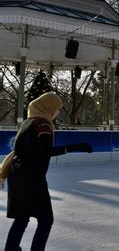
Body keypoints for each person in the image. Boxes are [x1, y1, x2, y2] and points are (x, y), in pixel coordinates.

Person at [5, 92, 93, 251]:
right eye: (57, 108)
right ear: (49, 107)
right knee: (45, 220)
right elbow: (44, 150)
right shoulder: (43, 124)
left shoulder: (27, 122)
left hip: (17, 174)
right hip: (31, 178)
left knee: (22, 218)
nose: (58, 112)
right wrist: (72, 148)